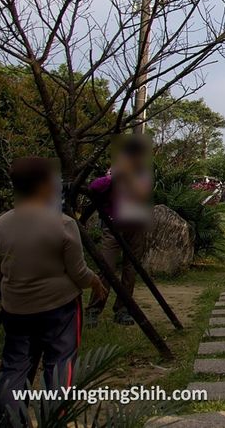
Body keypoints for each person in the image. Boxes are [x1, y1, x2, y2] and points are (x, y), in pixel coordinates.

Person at [0, 158, 106, 425]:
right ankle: (53, 419)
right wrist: (96, 283)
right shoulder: (63, 224)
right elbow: (78, 273)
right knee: (60, 364)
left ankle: (7, 421)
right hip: (60, 308)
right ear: (45, 187)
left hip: (16, 308)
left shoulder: (2, 223)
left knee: (14, 366)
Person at [86, 135, 154, 326]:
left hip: (136, 225)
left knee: (130, 270)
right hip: (113, 225)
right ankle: (94, 308)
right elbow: (94, 187)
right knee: (106, 267)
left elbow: (143, 193)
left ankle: (123, 309)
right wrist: (114, 177)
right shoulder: (114, 172)